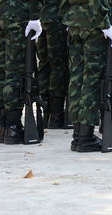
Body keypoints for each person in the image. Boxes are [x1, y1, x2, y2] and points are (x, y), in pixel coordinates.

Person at [61, 0, 112, 152]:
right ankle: (85, 135)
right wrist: (105, 24)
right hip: (93, 21)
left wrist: (67, 15)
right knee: (91, 78)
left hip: (74, 19)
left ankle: (78, 134)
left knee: (76, 77)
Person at [0, 0, 43, 144]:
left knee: (0, 70)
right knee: (14, 70)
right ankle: (13, 126)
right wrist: (35, 15)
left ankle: (3, 126)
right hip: (16, 12)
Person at [37, 0, 69, 129]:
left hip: (43, 17)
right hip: (57, 18)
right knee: (58, 66)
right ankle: (56, 114)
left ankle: (46, 112)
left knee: (45, 64)